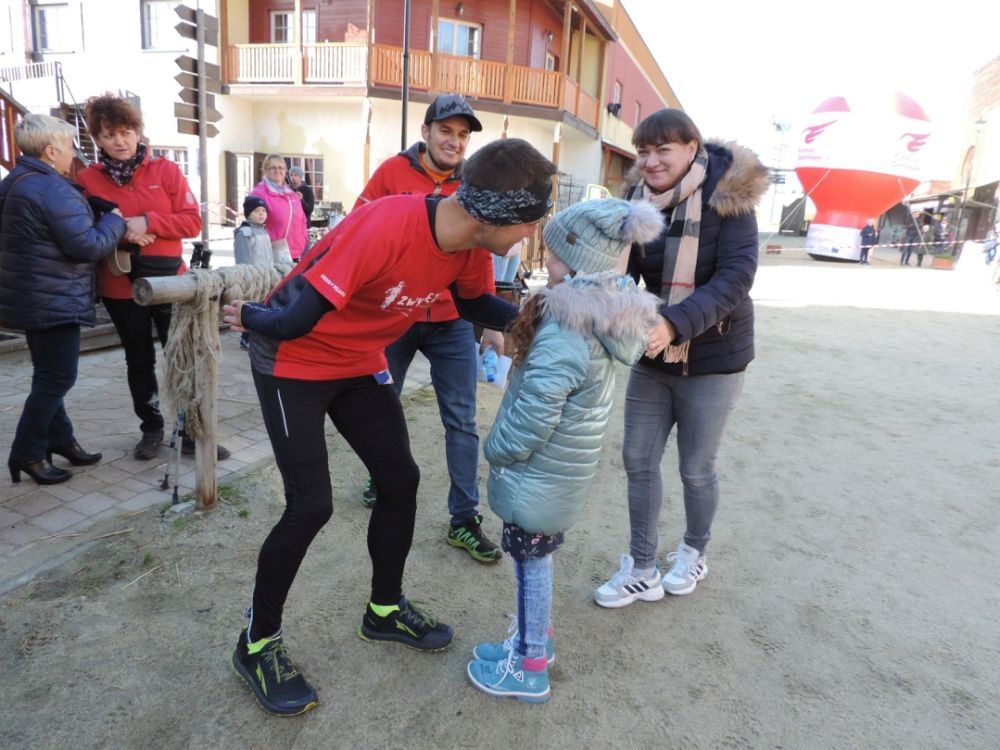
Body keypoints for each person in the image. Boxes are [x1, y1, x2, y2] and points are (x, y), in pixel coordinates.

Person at [221, 138, 556, 717]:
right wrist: (251, 315)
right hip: (292, 357)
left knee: (400, 481)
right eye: (529, 221)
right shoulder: (387, 224)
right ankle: (255, 644)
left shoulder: (470, 243)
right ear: (492, 214)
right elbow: (296, 319)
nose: (531, 234)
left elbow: (475, 305)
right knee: (310, 506)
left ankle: (384, 610)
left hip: (358, 361)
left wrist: (545, 322)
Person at [466, 199, 663, 703]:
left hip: (538, 471)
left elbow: (537, 411)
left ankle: (529, 665)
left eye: (554, 254)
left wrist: (497, 448)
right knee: (534, 561)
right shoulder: (599, 319)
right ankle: (532, 641)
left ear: (577, 263)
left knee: (529, 565)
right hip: (560, 472)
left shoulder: (565, 329)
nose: (546, 260)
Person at [593, 108, 768, 607]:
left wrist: (674, 323)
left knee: (696, 467)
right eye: (643, 151)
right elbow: (619, 271)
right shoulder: (635, 201)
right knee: (637, 458)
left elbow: (736, 277)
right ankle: (641, 567)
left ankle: (694, 550)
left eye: (662, 150)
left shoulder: (728, 196)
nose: (650, 161)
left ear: (692, 149)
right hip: (652, 353)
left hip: (714, 358)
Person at [351, 93, 504, 563]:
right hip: (396, 315)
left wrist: (491, 325)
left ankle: (464, 520)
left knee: (462, 421)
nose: (454, 141)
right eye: (446, 131)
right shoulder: (391, 174)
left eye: (462, 135)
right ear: (426, 132)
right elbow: (357, 228)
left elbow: (481, 249)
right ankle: (382, 474)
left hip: (452, 320)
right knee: (384, 407)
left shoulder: (474, 183)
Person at [76, 94, 225, 462]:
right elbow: (84, 229)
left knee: (181, 356)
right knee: (138, 359)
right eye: (109, 135)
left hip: (169, 282)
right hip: (121, 284)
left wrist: (149, 223)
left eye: (126, 132)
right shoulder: (87, 178)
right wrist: (124, 232)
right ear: (97, 139)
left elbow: (192, 221)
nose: (120, 141)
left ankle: (190, 430)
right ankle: (151, 426)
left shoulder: (166, 171)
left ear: (138, 131)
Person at [1, 114, 126, 485]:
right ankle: (27, 453)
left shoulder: (16, 180)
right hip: (53, 297)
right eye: (69, 146)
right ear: (50, 151)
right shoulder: (49, 188)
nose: (73, 154)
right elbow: (87, 246)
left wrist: (88, 206)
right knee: (57, 378)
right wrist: (114, 219)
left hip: (31, 295)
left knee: (48, 375)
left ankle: (61, 440)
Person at [250, 154, 309, 262]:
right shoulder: (259, 194)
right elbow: (253, 225)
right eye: (273, 167)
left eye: (280, 167)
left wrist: (304, 239)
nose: (277, 170)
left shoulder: (291, 194)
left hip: (296, 254)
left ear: (285, 171)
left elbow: (303, 220)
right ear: (266, 170)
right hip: (272, 255)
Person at [234, 195, 273, 350]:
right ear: (248, 213)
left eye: (264, 210)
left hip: (266, 277)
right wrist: (249, 278)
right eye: (257, 211)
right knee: (251, 307)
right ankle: (246, 338)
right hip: (252, 279)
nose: (261, 214)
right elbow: (243, 258)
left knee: (263, 307)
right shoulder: (245, 232)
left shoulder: (264, 231)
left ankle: (259, 337)